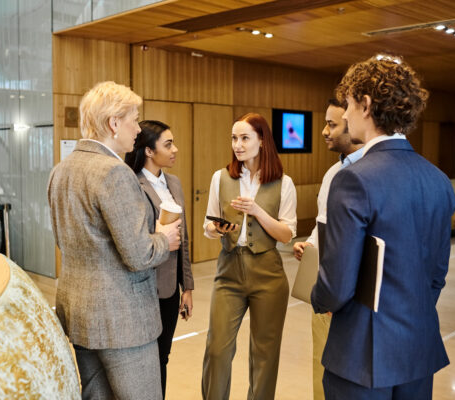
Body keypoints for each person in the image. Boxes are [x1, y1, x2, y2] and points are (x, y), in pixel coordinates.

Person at [311, 55, 455, 399]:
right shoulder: (438, 180)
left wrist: (317, 297)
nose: (344, 115)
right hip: (418, 347)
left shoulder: (353, 180)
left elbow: (337, 286)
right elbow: (437, 275)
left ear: (366, 104)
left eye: (347, 104)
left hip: (362, 352)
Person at [47, 81, 182, 400]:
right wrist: (164, 238)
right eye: (134, 119)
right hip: (123, 321)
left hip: (80, 315)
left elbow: (69, 242)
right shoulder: (114, 173)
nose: (137, 129)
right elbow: (139, 254)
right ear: (113, 123)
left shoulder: (61, 170)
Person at [202, 112, 297, 400]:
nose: (237, 145)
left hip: (268, 274)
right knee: (217, 349)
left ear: (262, 141)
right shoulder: (220, 178)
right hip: (229, 270)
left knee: (264, 354)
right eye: (234, 138)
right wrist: (216, 229)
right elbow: (208, 226)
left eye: (245, 138)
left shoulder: (284, 183)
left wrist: (257, 211)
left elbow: (286, 234)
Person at [293, 98, 364, 400]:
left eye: (332, 124)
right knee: (320, 368)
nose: (324, 131)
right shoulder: (332, 173)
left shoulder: (367, 174)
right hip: (322, 288)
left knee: (346, 377)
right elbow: (323, 223)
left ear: (355, 126)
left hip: (348, 297)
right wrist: (309, 244)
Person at [124, 120, 194, 399]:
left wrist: (187, 287)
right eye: (168, 144)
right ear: (149, 151)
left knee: (163, 356)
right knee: (145, 361)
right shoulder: (131, 183)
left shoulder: (174, 183)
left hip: (168, 289)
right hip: (142, 288)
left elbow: (184, 240)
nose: (175, 149)